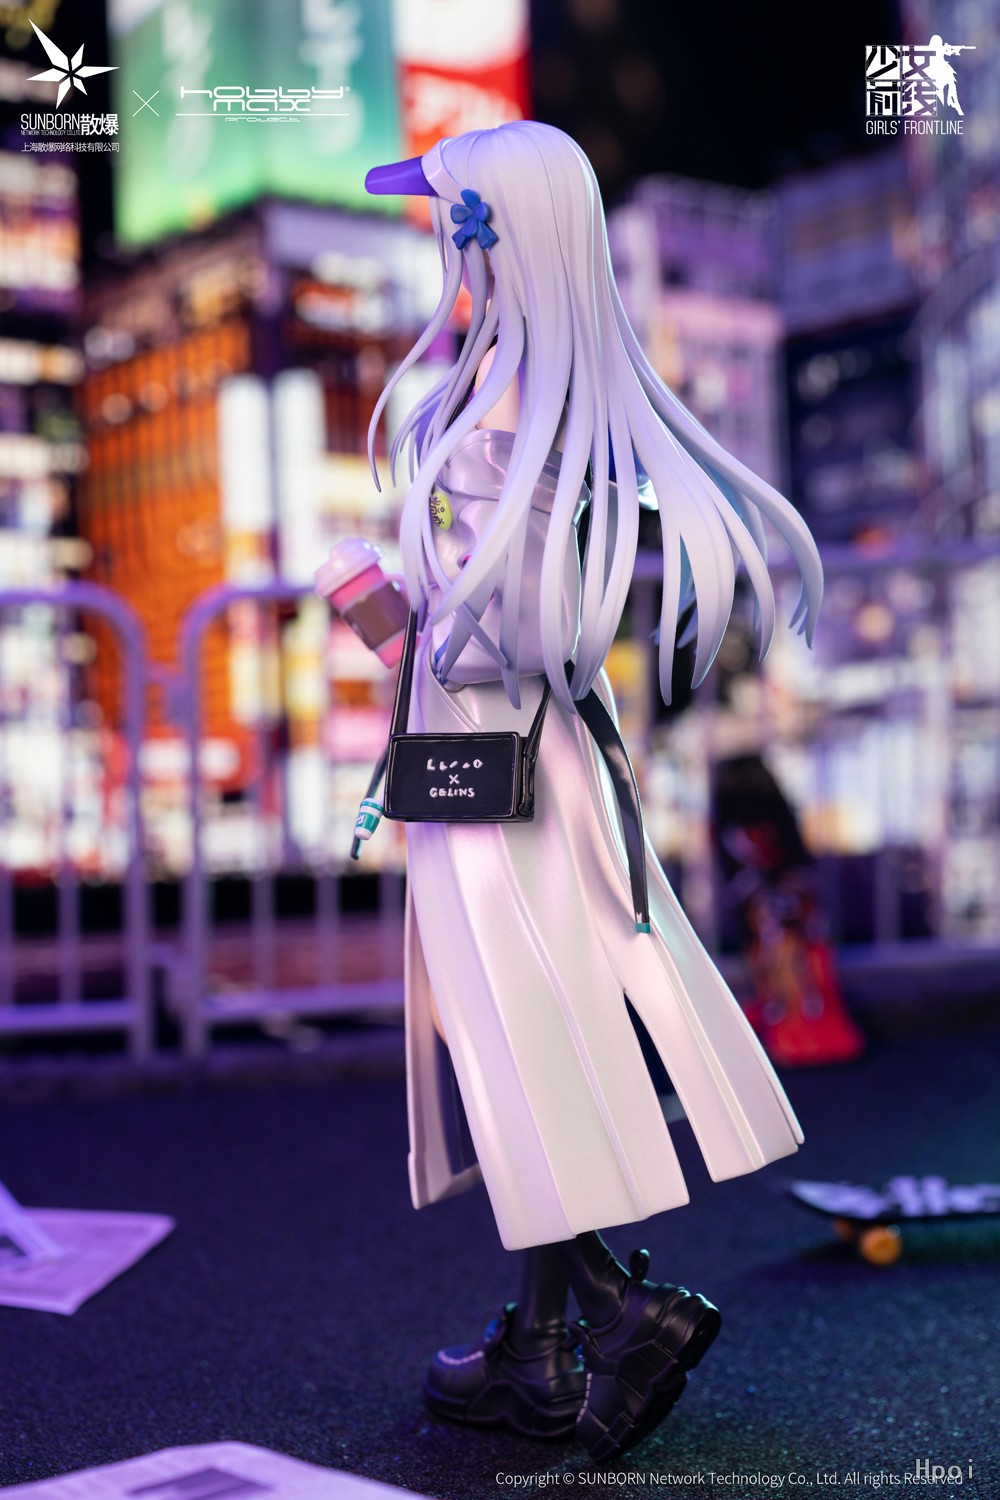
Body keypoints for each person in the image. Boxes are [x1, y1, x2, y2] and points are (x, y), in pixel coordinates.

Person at [356, 121, 823, 1462]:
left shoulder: (502, 413)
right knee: (532, 1045)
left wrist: (376, 610)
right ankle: (541, 1348)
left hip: (494, 769)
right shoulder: (528, 390)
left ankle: (616, 1315)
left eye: (449, 213)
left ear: (492, 231)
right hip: (524, 761)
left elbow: (517, 631)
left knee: (516, 1046)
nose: (439, 238)